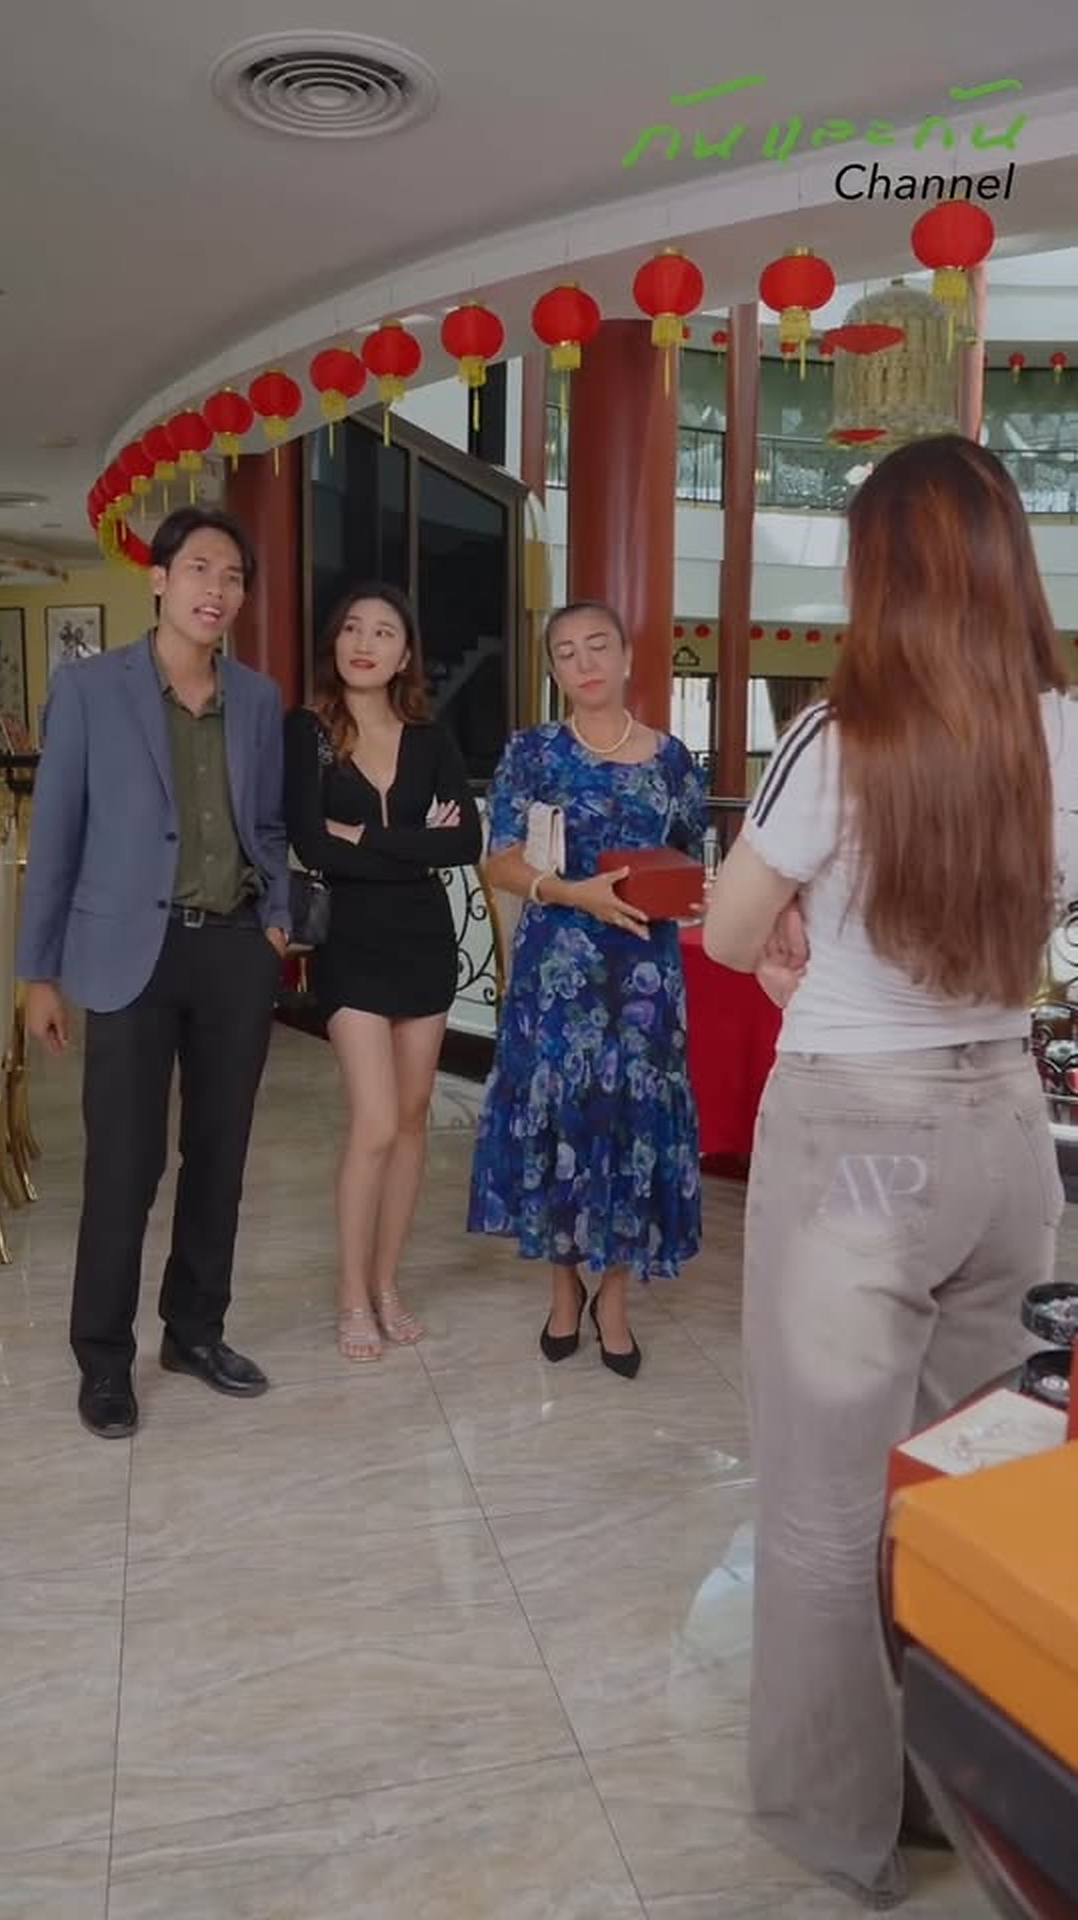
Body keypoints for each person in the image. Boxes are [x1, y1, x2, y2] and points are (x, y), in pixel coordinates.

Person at [701, 435, 1077, 1908]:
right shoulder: (1066, 734)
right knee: (967, 1480)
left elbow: (731, 932)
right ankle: (965, 1796)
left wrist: (795, 943)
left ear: (881, 576)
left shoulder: (838, 736)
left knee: (821, 1508)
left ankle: (839, 1824)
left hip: (858, 1151)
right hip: (1008, 1141)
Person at [17, 505, 292, 1439]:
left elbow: (268, 825)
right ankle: (104, 1358)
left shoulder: (256, 699)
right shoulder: (90, 690)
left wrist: (276, 918)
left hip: (232, 950)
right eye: (202, 569)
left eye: (234, 576)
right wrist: (38, 972)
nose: (219, 589)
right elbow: (57, 834)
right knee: (124, 1165)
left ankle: (195, 1332)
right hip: (126, 953)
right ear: (161, 579)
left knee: (220, 1156)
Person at [468, 600, 706, 1377]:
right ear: (554, 671)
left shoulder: (673, 760)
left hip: (644, 977)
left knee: (631, 1126)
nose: (585, 662)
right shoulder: (533, 752)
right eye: (566, 652)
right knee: (562, 1122)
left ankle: (615, 1300)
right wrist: (574, 894)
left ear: (628, 656)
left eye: (598, 645)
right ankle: (563, 1286)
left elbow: (687, 859)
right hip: (557, 975)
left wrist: (690, 898)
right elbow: (500, 861)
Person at [284, 584, 481, 1361]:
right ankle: (349, 1294)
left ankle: (387, 1283)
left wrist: (360, 833)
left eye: (384, 632)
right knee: (373, 1121)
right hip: (351, 943)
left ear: (405, 655)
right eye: (353, 629)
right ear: (335, 643)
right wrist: (409, 843)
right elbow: (311, 844)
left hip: (425, 941)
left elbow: (462, 843)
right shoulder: (309, 732)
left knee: (412, 1117)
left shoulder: (431, 740)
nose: (365, 643)